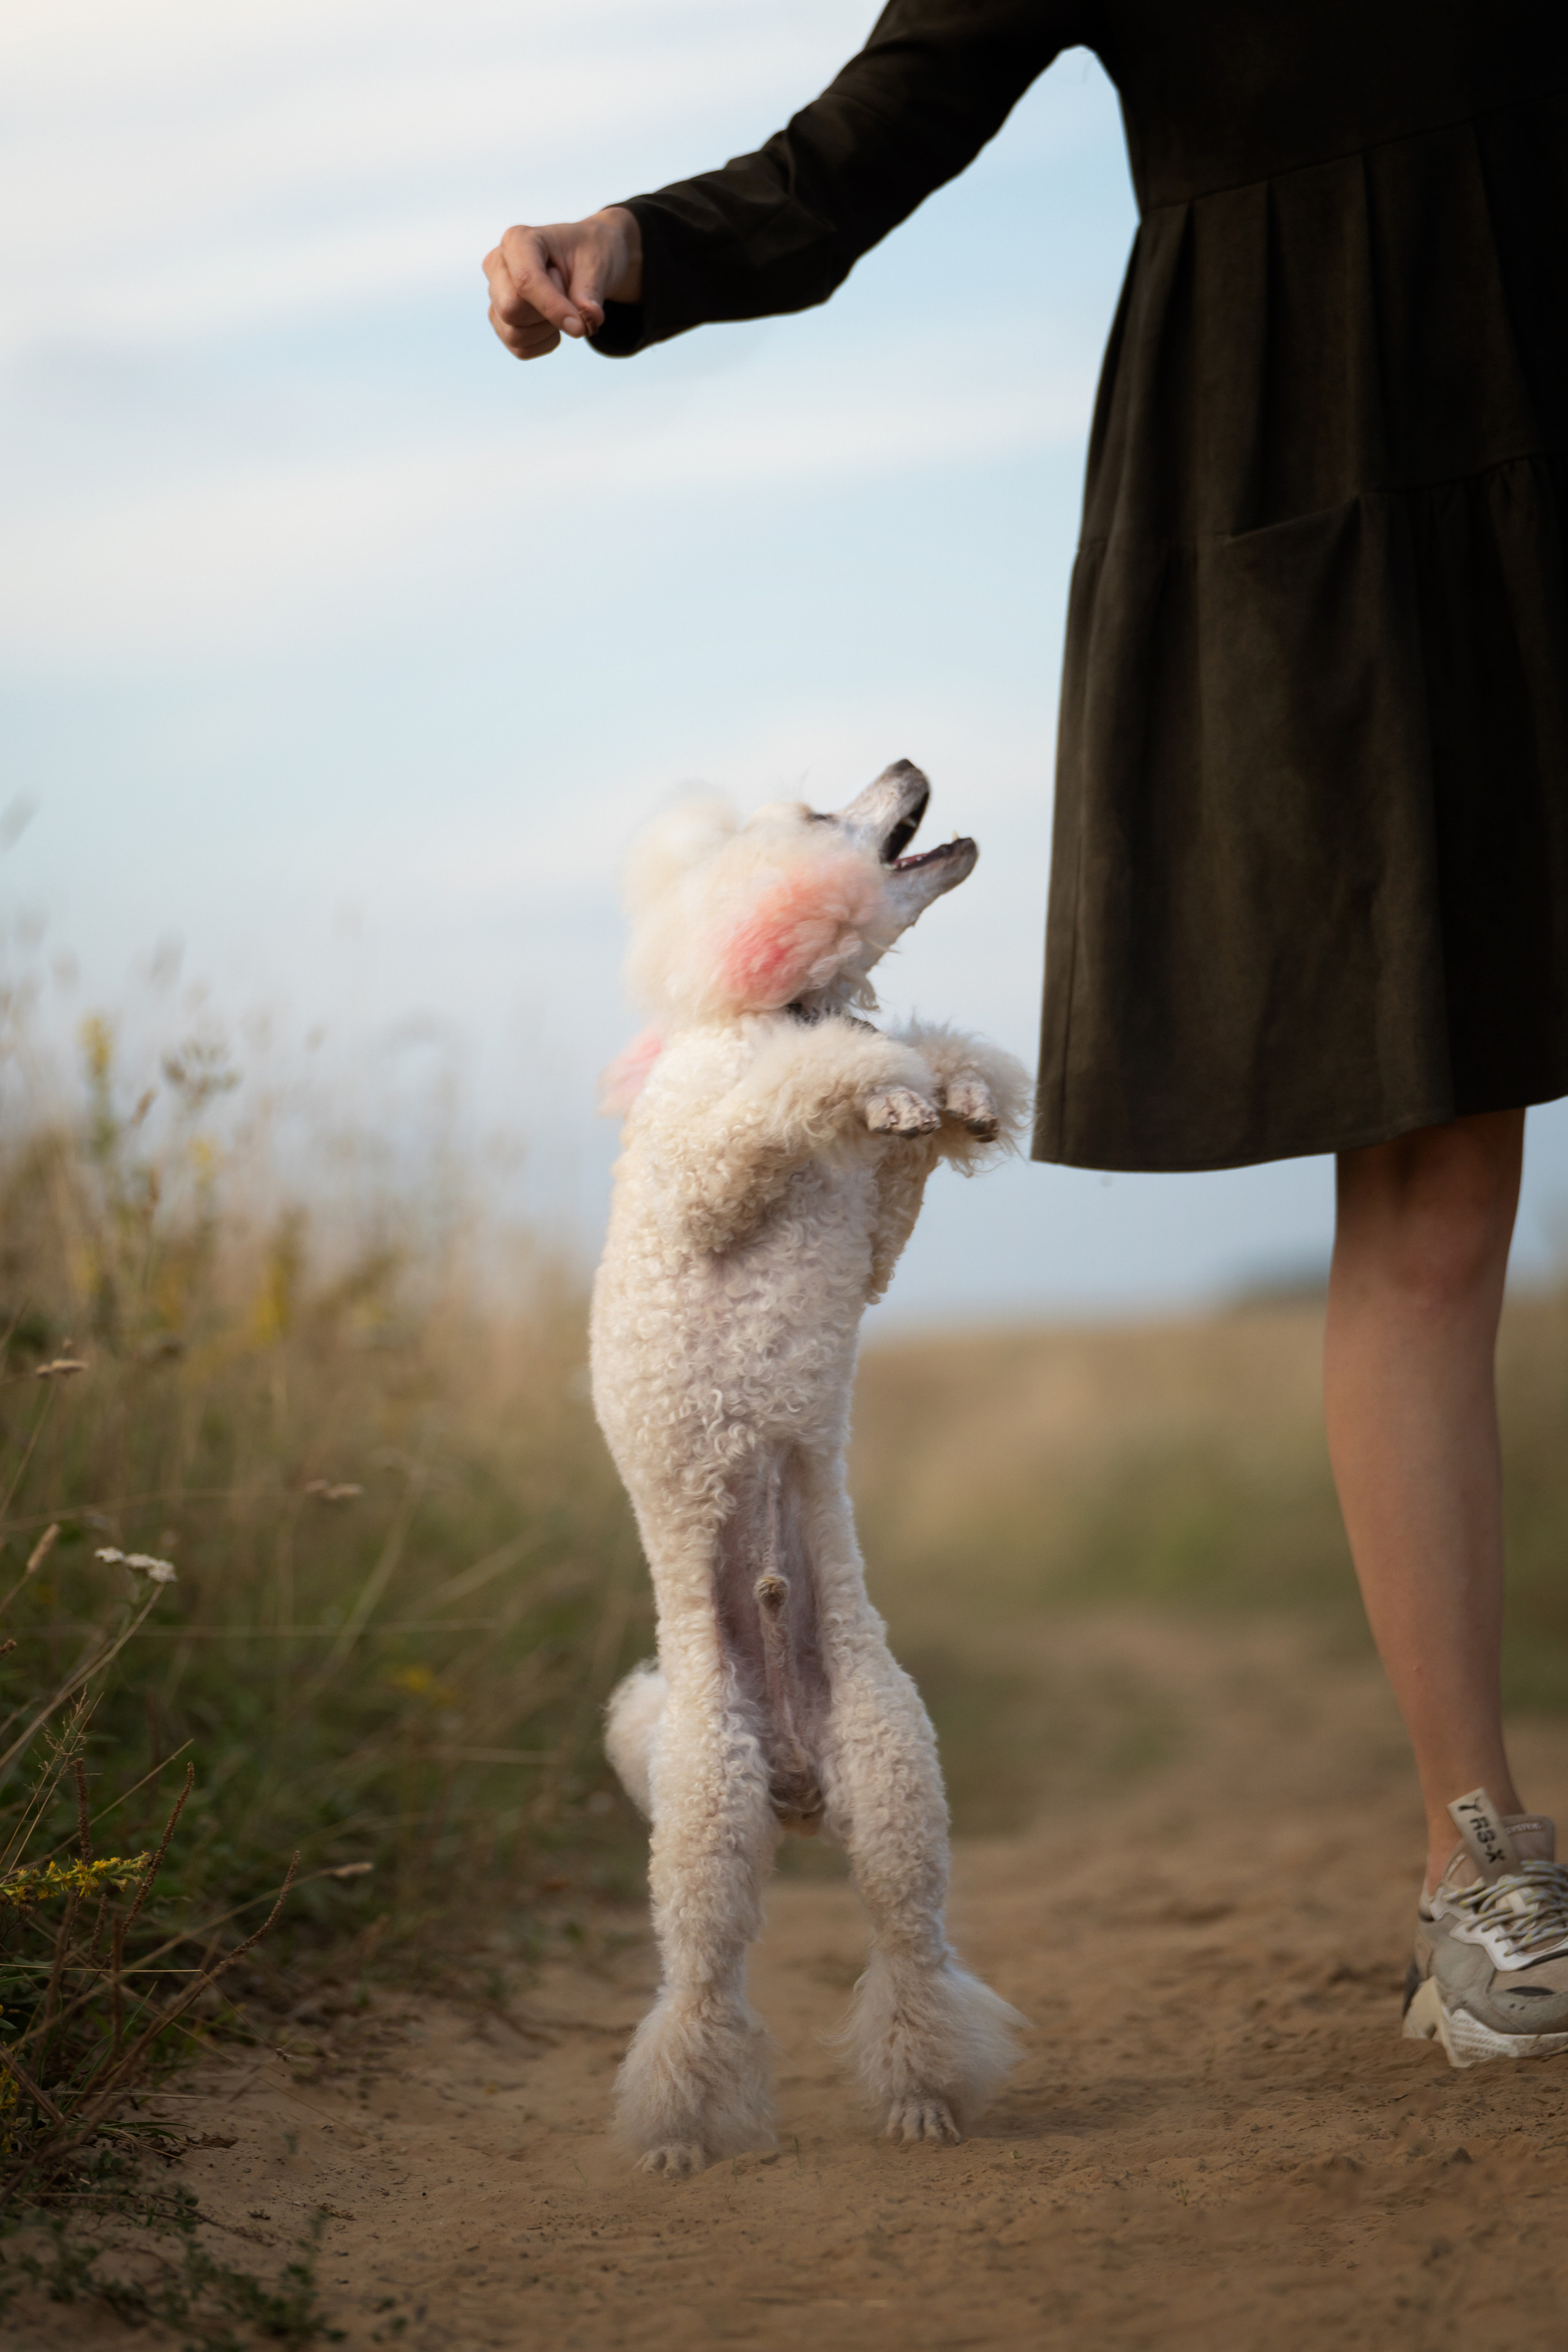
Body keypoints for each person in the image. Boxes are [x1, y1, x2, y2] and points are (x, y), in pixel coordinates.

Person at [482, 1, 1568, 2068]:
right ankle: (1479, 1862)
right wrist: (633, 244)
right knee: (1435, 1164)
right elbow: (868, 144)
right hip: (1310, 484)